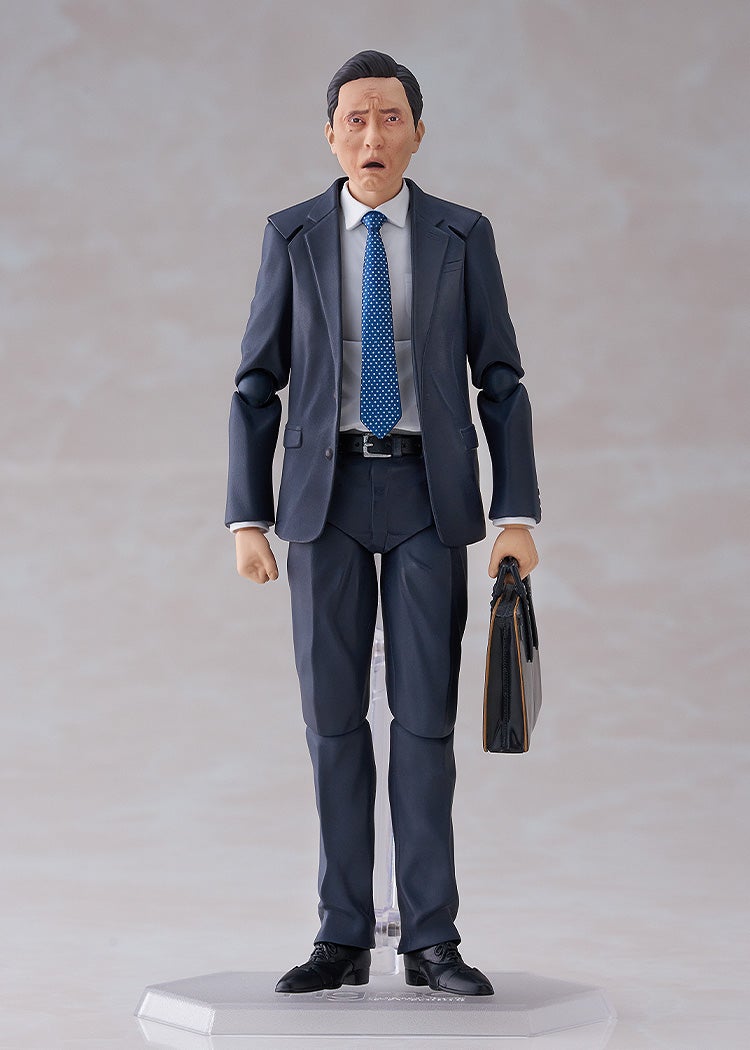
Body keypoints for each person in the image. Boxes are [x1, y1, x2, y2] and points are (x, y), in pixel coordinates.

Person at [225, 50, 541, 996]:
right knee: (331, 720)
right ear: (330, 134)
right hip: (320, 501)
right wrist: (247, 518)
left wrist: (515, 513)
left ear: (418, 132)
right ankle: (341, 933)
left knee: (425, 720)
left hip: (425, 495)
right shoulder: (291, 235)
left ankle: (431, 937)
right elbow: (256, 383)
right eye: (356, 119)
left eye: (390, 117)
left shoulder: (460, 234)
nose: (373, 135)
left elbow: (501, 378)